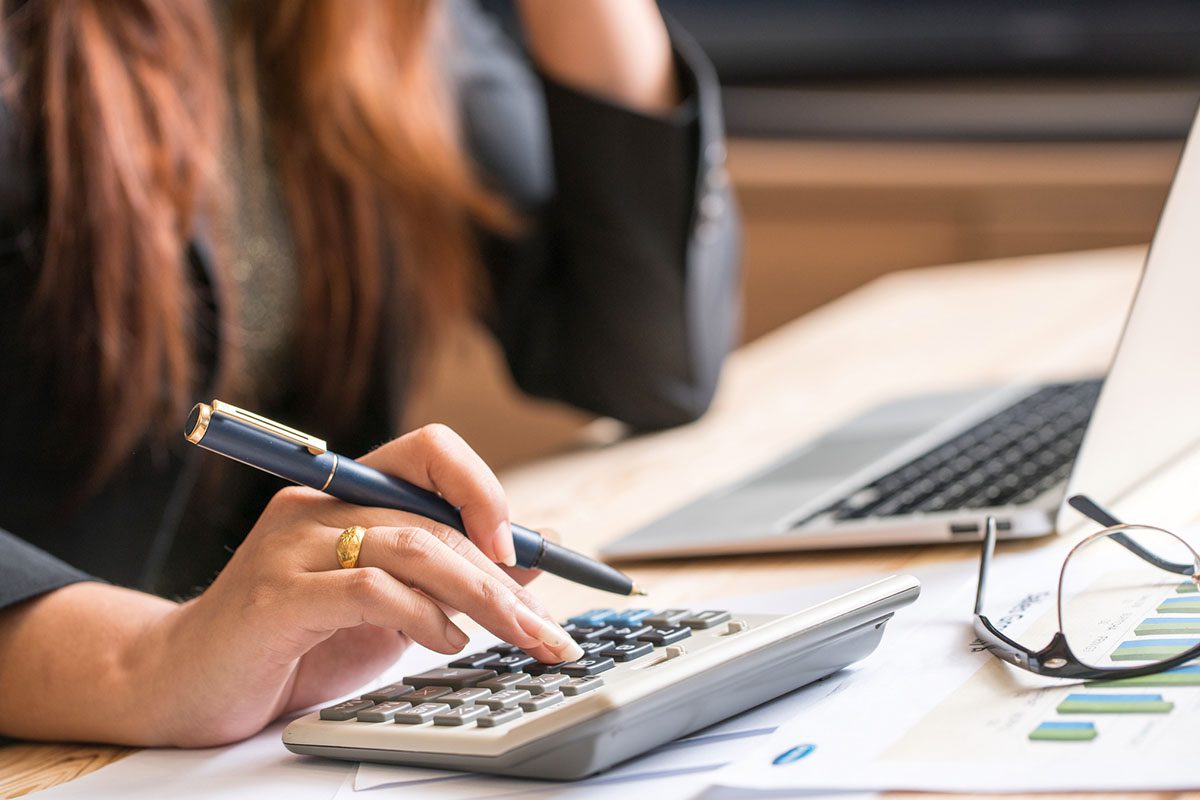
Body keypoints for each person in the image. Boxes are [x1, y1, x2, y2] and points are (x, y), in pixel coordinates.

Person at [0, 0, 739, 747]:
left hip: (270, 725)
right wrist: (140, 660)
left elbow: (644, 362)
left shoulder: (383, 21)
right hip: (67, 735)